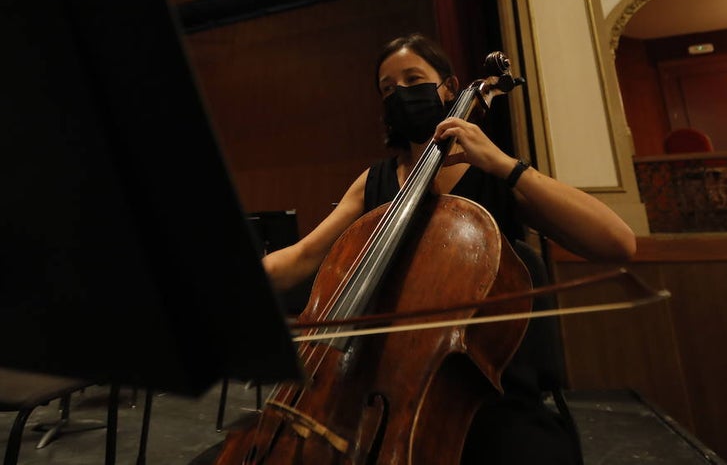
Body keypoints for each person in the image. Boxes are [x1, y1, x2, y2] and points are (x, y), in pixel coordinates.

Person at [262, 32, 636, 464]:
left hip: (487, 398)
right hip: (379, 390)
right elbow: (303, 257)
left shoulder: (494, 174)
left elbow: (616, 242)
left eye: (413, 79)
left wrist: (504, 165)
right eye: (388, 89)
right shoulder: (375, 182)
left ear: (450, 87)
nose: (401, 94)